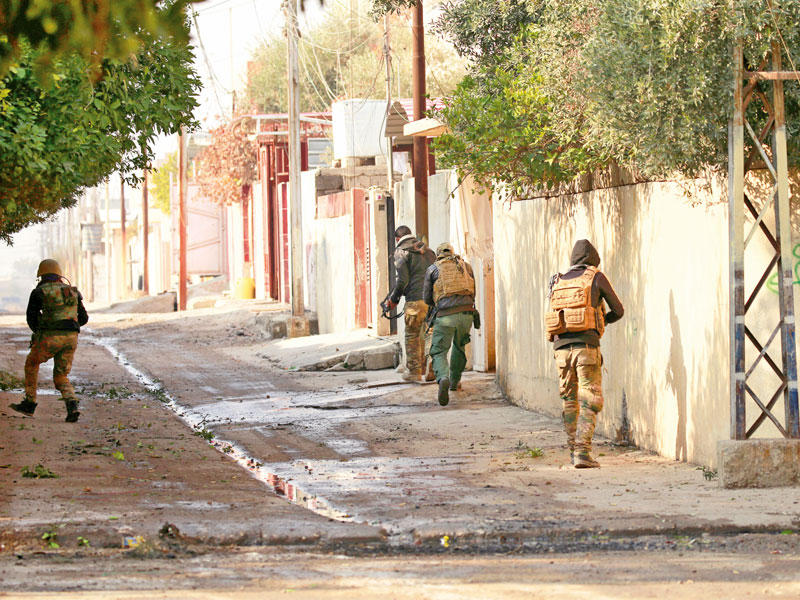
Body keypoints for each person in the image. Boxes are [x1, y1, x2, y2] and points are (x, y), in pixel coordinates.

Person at [546, 240, 624, 468]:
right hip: (587, 347)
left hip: (560, 349)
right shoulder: (595, 277)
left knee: (569, 400)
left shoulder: (557, 280)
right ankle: (582, 451)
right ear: (593, 259)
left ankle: (573, 450)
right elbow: (618, 310)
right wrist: (601, 322)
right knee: (590, 399)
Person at [10, 259, 89, 423]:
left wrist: (41, 332)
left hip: (49, 338)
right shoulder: (72, 292)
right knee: (61, 376)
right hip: (71, 339)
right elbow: (83, 318)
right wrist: (67, 328)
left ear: (41, 276)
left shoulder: (39, 292)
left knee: (31, 364)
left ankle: (29, 403)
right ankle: (72, 404)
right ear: (59, 275)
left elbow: (31, 318)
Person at [423, 243, 477, 407]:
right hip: (466, 313)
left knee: (439, 351)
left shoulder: (433, 269)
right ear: (452, 253)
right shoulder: (465, 266)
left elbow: (427, 298)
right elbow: (473, 292)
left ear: (438, 255)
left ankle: (443, 378)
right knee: (459, 346)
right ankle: (454, 382)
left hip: (445, 315)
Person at [385, 226, 436, 382]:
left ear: (397, 239)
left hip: (414, 301)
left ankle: (414, 371)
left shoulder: (401, 252)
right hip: (431, 302)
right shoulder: (428, 251)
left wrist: (393, 300)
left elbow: (402, 280)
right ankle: (431, 370)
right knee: (429, 336)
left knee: (412, 336)